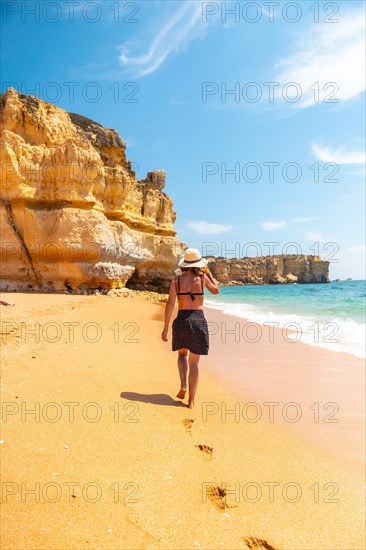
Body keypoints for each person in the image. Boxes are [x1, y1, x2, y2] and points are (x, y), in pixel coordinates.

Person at [161, 248, 220, 408]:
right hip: (198, 320)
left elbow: (171, 303)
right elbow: (216, 290)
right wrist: (208, 274)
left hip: (181, 320)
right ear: (198, 264)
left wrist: (166, 327)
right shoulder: (202, 279)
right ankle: (191, 401)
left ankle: (183, 385)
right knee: (194, 364)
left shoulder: (176, 280)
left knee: (182, 355)